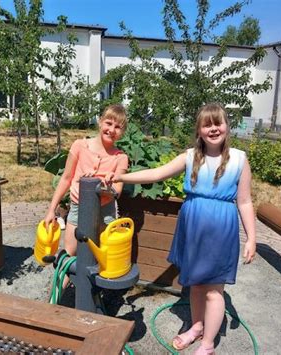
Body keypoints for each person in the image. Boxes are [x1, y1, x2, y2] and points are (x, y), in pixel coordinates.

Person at [106, 103, 256, 355]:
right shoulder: (190, 157)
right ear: (199, 130)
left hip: (220, 230)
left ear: (227, 127)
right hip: (193, 227)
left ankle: (208, 345)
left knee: (214, 290)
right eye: (207, 124)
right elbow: (156, 174)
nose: (213, 129)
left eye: (218, 123)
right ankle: (197, 327)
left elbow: (245, 201)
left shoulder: (239, 160)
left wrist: (252, 238)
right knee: (195, 284)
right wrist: (122, 177)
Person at [44, 104, 129, 278]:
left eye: (118, 127)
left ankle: (93, 297)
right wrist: (52, 209)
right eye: (108, 123)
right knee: (68, 255)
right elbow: (66, 178)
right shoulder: (80, 146)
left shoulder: (120, 157)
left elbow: (117, 191)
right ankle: (55, 299)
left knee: (102, 257)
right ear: (100, 122)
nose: (111, 129)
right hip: (78, 207)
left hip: (106, 212)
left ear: (122, 132)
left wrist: (103, 185)